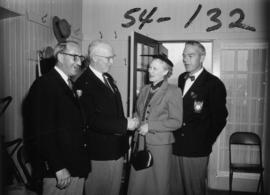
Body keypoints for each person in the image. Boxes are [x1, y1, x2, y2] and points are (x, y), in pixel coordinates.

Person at [25, 40, 91, 195]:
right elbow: (42, 130)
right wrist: (58, 166)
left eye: (80, 58)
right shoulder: (45, 85)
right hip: (59, 172)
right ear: (61, 57)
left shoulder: (68, 84)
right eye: (75, 57)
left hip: (74, 166)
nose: (79, 62)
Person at [75, 40, 139, 195]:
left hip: (116, 149)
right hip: (100, 153)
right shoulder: (84, 83)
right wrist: (124, 124)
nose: (112, 61)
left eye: (113, 57)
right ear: (95, 58)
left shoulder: (108, 78)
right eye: (108, 58)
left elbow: (114, 111)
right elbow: (91, 120)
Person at [173, 41, 228, 195]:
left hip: (196, 148)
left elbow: (220, 118)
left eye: (190, 56)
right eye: (184, 56)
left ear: (202, 57)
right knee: (176, 188)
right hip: (176, 144)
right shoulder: (181, 78)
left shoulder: (214, 84)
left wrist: (205, 141)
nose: (185, 60)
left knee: (194, 190)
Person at [127, 55, 183, 195]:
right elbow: (139, 112)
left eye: (155, 68)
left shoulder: (173, 91)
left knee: (158, 184)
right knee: (137, 184)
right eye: (149, 67)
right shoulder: (145, 89)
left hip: (160, 146)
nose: (150, 71)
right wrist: (135, 120)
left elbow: (176, 121)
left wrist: (150, 126)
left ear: (165, 72)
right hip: (140, 142)